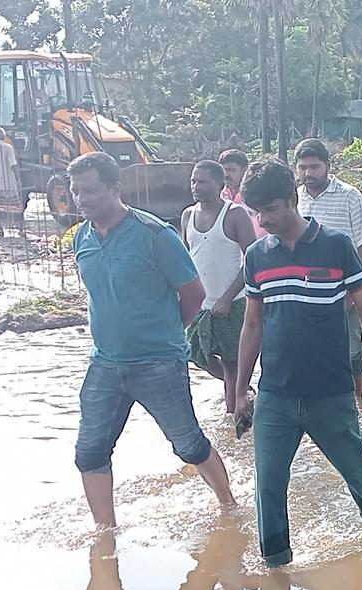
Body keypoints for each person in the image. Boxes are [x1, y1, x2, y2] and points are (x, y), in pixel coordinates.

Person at [234, 158, 362, 567]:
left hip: (331, 392)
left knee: (358, 471)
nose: (264, 219)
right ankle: (276, 566)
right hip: (275, 396)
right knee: (268, 485)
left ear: (292, 200)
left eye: (270, 209)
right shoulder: (257, 256)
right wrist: (240, 391)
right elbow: (252, 326)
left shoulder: (335, 245)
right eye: (256, 212)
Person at [68, 151, 235, 528]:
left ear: (115, 187)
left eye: (91, 191)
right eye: (77, 192)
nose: (83, 200)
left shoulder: (154, 234)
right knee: (89, 452)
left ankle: (228, 506)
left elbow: (194, 292)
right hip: (105, 364)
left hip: (159, 362)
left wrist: (166, 335)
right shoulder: (82, 238)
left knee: (189, 445)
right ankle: (105, 534)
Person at [295, 138, 362, 399]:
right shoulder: (294, 198)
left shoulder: (349, 196)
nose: (308, 173)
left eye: (314, 167)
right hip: (304, 293)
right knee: (308, 350)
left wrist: (353, 292)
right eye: (303, 167)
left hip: (344, 291)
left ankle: (356, 404)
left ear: (328, 166)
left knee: (351, 350)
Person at [180, 160, 256, 414]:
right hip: (200, 305)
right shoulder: (188, 215)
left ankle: (235, 420)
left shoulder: (235, 214)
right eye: (193, 181)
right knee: (196, 355)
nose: (196, 187)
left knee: (233, 364)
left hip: (232, 304)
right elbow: (186, 260)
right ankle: (242, 391)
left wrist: (228, 297)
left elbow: (254, 261)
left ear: (220, 185)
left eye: (203, 182)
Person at [219, 148, 265, 238]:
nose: (226, 175)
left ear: (244, 170)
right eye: (224, 170)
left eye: (231, 170)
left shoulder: (255, 194)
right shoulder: (219, 196)